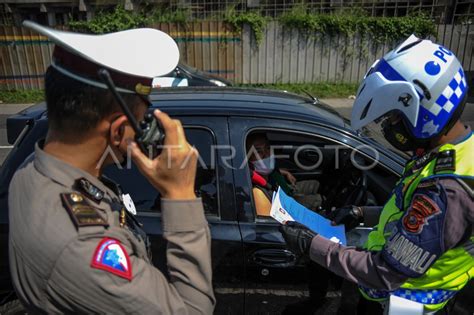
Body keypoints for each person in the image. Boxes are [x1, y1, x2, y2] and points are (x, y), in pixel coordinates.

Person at [8, 21, 215, 314]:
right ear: (119, 131)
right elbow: (193, 310)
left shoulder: (31, 169)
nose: (147, 127)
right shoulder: (84, 247)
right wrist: (179, 194)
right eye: (143, 121)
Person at [279, 34, 474, 314]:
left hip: (405, 304)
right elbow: (412, 215)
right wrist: (362, 212)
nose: (388, 125)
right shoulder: (456, 152)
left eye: (394, 117)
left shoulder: (448, 189)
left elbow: (385, 272)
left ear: (424, 115)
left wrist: (312, 246)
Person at [246, 132, 323, 216]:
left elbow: (269, 169)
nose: (266, 154)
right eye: (258, 151)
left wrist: (285, 172)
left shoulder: (266, 170)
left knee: (317, 184)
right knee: (319, 200)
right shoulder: (254, 185)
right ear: (247, 156)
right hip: (285, 203)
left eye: (268, 148)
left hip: (286, 188)